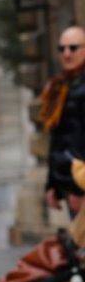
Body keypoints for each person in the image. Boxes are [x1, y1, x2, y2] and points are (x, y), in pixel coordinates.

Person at [43, 26, 85, 215]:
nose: (67, 54)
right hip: (69, 183)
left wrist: (80, 189)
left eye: (73, 48)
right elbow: (58, 140)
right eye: (62, 49)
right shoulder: (60, 87)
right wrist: (52, 185)